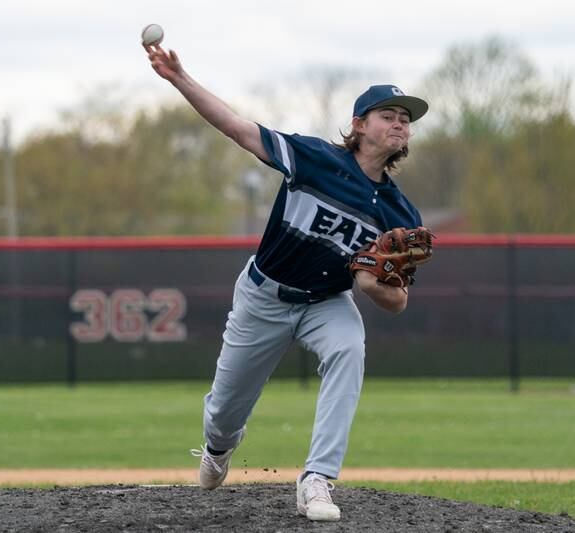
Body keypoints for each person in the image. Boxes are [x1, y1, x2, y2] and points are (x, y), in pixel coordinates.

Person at [144, 41, 428, 522]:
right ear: (359, 124)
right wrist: (179, 79)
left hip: (326, 302)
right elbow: (237, 128)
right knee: (224, 413)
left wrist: (371, 282)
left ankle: (318, 479)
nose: (400, 122)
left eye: (405, 117)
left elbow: (395, 301)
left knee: (349, 349)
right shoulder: (314, 159)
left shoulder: (401, 214)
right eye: (388, 114)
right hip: (264, 295)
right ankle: (218, 448)